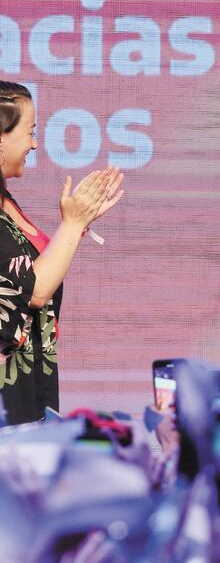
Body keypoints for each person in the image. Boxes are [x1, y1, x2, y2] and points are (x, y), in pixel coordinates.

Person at [0, 82, 123, 425]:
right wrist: (72, 224)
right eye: (30, 132)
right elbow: (32, 291)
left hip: (29, 386)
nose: (35, 143)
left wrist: (77, 224)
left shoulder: (6, 203)